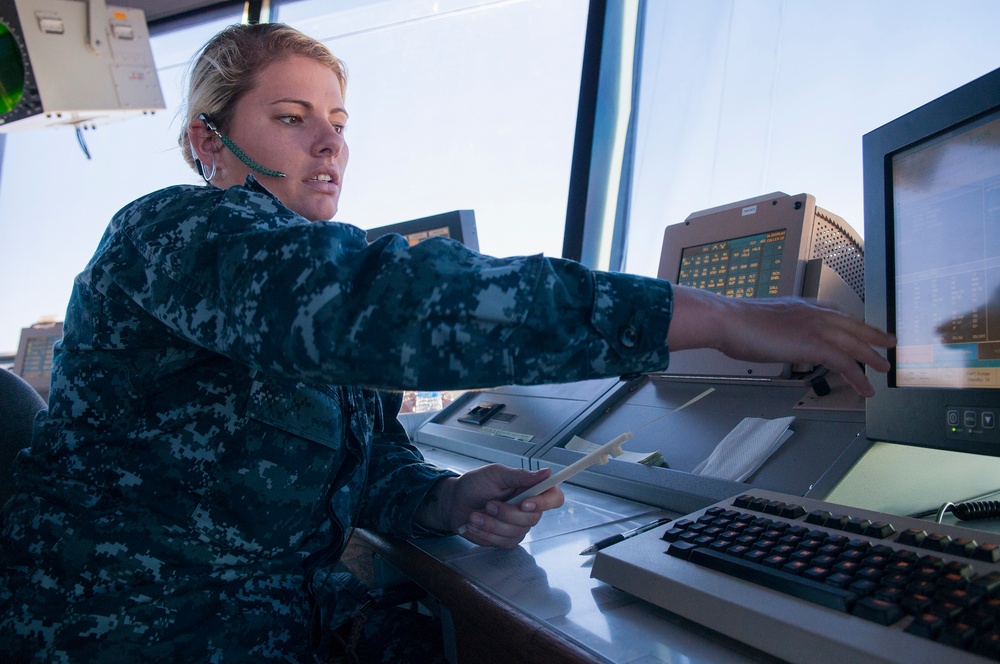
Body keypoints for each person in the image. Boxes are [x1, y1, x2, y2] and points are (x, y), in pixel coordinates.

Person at [0, 22, 893, 663]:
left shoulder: (310, 292)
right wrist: (716, 317)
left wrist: (449, 499)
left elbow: (371, 468)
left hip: (281, 622)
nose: (328, 144)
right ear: (209, 141)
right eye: (290, 117)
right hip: (128, 627)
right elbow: (380, 303)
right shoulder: (175, 233)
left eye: (339, 122)